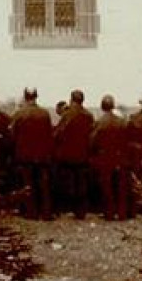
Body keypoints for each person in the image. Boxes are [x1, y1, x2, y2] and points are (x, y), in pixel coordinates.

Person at [10, 88, 54, 220]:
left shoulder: (19, 114)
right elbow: (49, 135)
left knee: (27, 183)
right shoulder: (45, 113)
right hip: (42, 155)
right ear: (36, 96)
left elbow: (12, 135)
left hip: (24, 155)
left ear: (25, 96)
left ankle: (31, 212)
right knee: (43, 184)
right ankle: (46, 212)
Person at [53, 90, 94, 220]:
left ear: (71, 99)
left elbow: (58, 133)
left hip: (67, 154)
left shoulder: (67, 114)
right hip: (83, 154)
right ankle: (81, 211)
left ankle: (65, 208)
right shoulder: (89, 115)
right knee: (82, 182)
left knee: (67, 182)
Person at [90, 95, 131, 221]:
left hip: (105, 157)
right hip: (119, 156)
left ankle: (109, 212)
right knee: (120, 186)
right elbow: (127, 140)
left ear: (102, 107)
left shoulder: (99, 122)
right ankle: (122, 212)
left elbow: (92, 141)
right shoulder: (121, 122)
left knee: (107, 186)